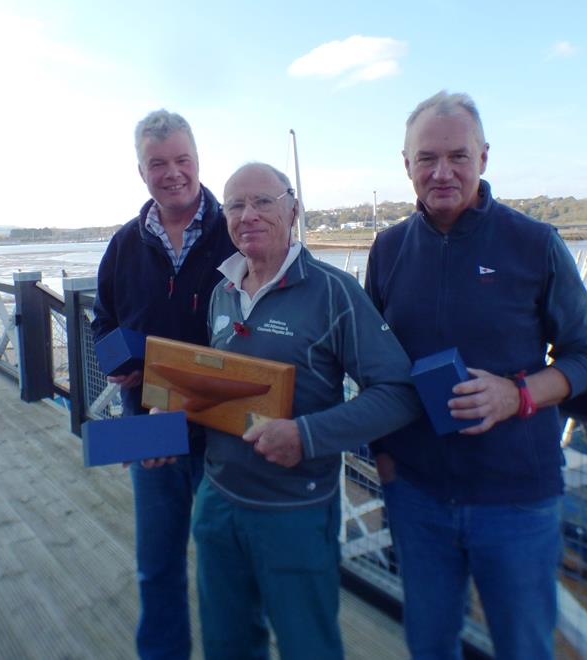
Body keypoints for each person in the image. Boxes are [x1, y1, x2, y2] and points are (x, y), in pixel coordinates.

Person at [365, 91, 587, 660]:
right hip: (418, 496)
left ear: (484, 158)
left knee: (523, 648)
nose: (442, 171)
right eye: (427, 158)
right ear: (406, 166)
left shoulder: (534, 244)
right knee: (429, 645)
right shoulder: (388, 249)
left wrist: (517, 395)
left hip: (516, 500)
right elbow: (371, 362)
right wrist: (383, 457)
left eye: (458, 156)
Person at [192, 162, 420, 660]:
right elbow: (211, 393)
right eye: (235, 205)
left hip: (294, 511)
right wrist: (156, 431)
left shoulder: (334, 292)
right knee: (225, 644)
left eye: (262, 202)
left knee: (307, 647)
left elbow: (398, 392)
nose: (247, 214)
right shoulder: (221, 292)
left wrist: (307, 435)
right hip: (218, 499)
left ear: (293, 209)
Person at [92, 109, 235, 659]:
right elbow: (102, 319)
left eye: (182, 160)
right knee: (156, 568)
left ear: (198, 161)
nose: (173, 173)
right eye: (159, 164)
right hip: (149, 435)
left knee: (227, 568)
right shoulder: (124, 245)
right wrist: (113, 359)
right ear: (141, 172)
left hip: (224, 432)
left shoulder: (235, 232)